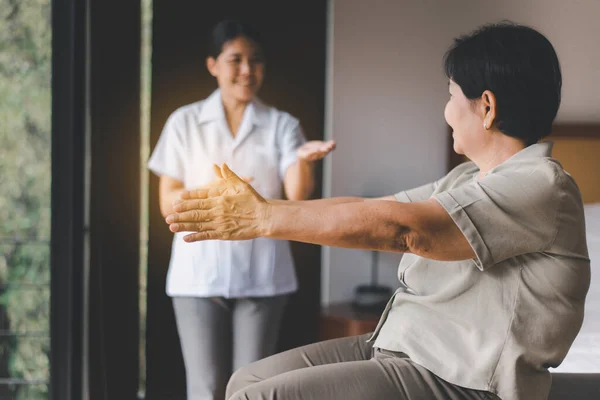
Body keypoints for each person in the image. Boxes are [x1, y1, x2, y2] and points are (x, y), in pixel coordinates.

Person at [165, 22, 590, 400]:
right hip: (404, 344)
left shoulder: (539, 185)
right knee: (246, 380)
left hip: (461, 377)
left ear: (487, 106)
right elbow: (375, 208)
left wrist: (263, 219)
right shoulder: (465, 179)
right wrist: (264, 208)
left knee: (260, 397)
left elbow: (404, 229)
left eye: (450, 95)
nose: (446, 111)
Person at [147, 19, 335, 400]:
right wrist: (210, 199)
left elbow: (297, 197)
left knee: (251, 388)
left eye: (256, 60)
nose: (247, 70)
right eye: (236, 60)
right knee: (205, 388)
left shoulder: (282, 124)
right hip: (196, 276)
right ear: (213, 64)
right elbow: (166, 197)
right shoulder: (184, 122)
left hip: (262, 275)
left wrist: (302, 160)